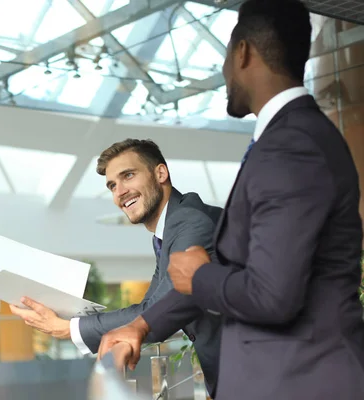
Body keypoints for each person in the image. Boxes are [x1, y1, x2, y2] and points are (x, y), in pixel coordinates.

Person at [97, 0, 364, 399]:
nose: (223, 73)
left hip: (299, 380)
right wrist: (141, 325)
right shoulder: (286, 138)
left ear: (243, 53)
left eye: (224, 57)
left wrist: (199, 276)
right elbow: (249, 270)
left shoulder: (292, 145)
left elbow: (273, 295)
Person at [9, 138, 223, 397]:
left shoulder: (189, 222)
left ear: (161, 173)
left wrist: (68, 328)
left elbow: (156, 310)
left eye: (128, 176)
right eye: (112, 185)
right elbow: (153, 309)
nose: (119, 192)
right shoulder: (168, 233)